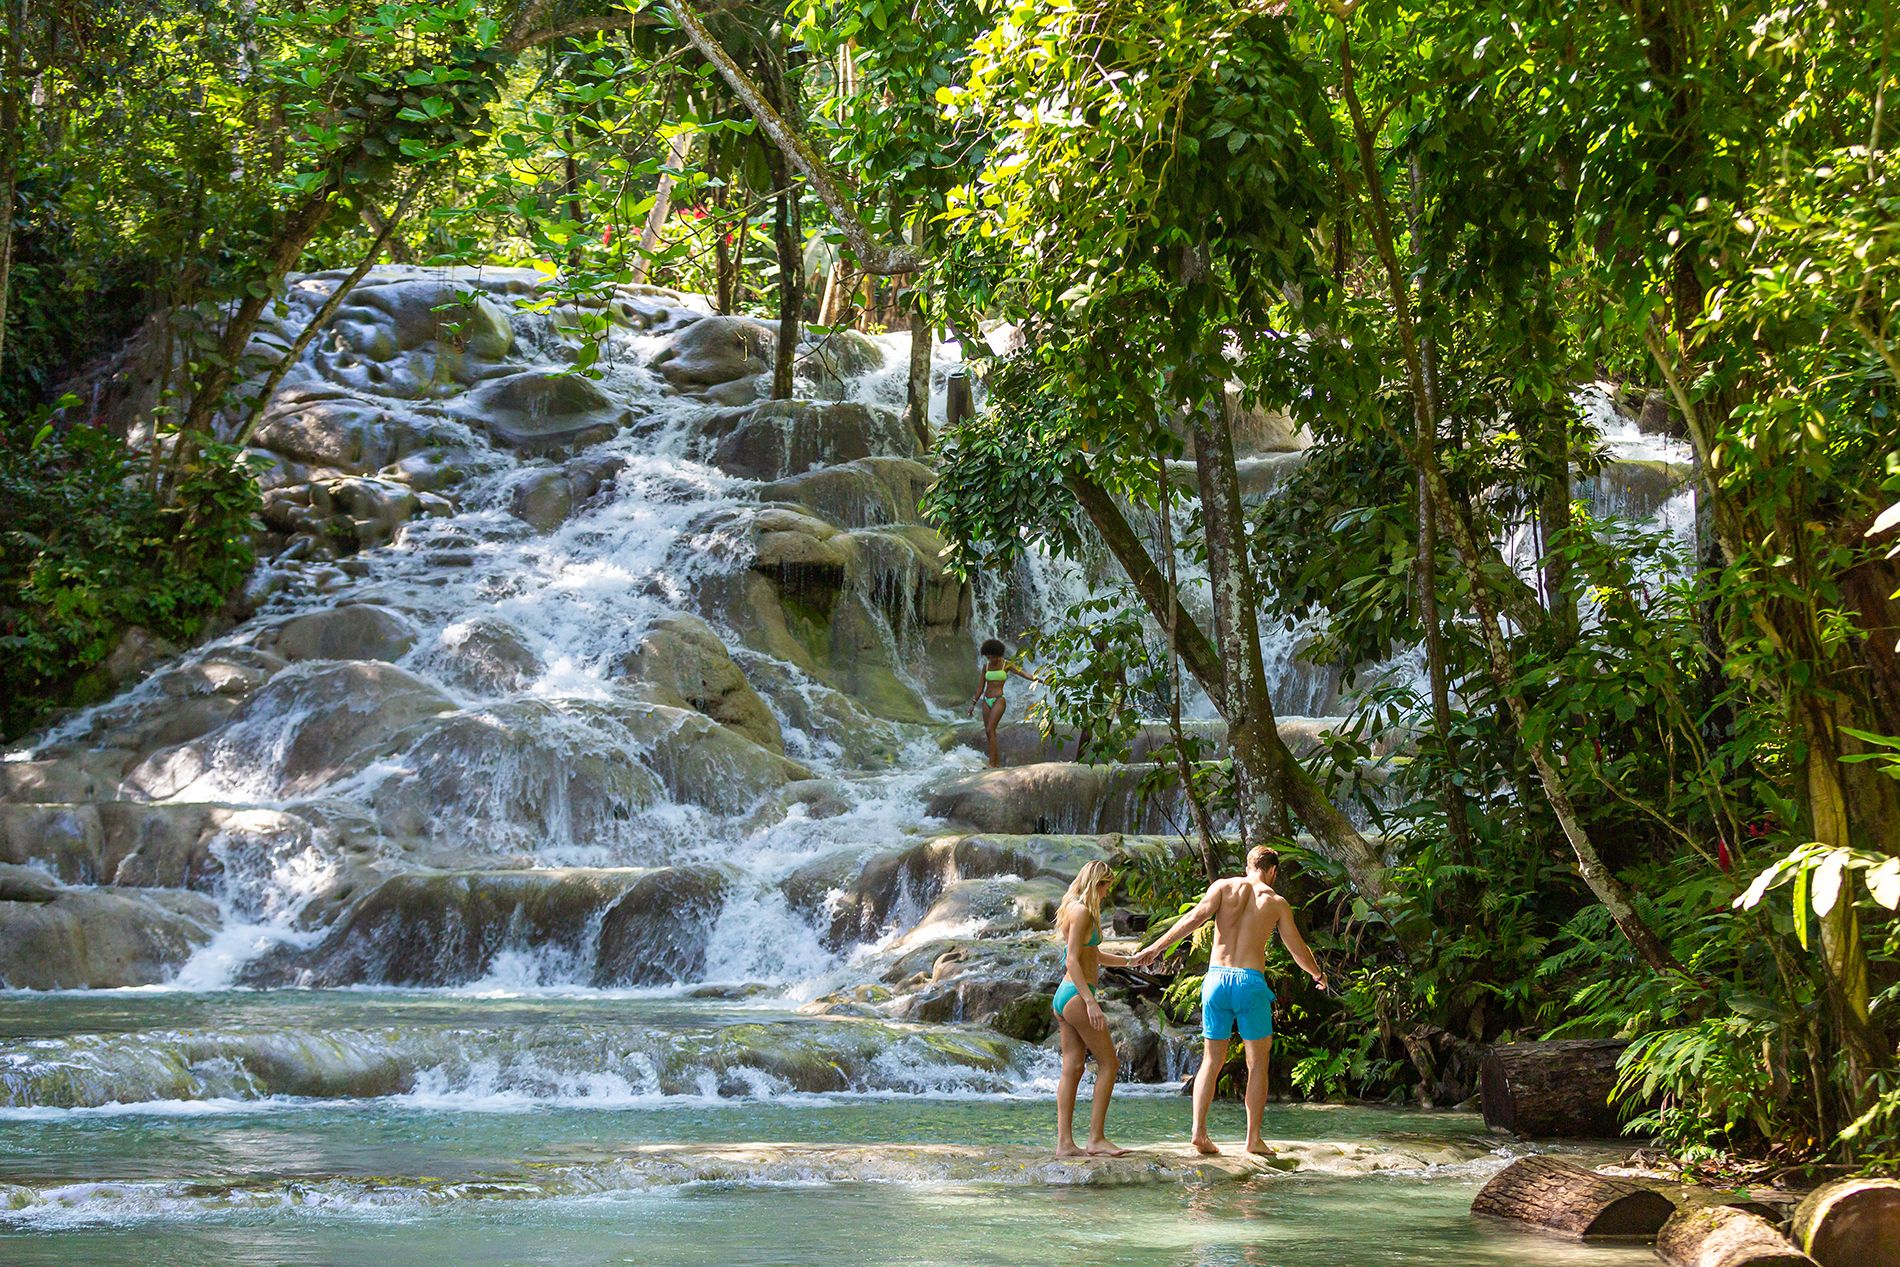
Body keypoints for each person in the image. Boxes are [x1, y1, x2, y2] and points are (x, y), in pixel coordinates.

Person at [1131, 845, 1328, 1156]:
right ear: (1273, 871)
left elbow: (1193, 920)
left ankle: (1199, 1133)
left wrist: (1155, 948)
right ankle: (1253, 1140)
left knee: (1212, 1059)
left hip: (1216, 981)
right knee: (1257, 1063)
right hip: (1250, 983)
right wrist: (1317, 974)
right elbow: (1297, 950)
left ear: (1248, 865)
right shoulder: (1275, 902)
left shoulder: (1223, 887)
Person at [1052, 859, 1132, 1158]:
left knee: (1072, 1068)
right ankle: (1096, 1138)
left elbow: (1093, 954)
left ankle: (1064, 1144)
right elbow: (1072, 960)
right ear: (1094, 882)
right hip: (1076, 995)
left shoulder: (1071, 906)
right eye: (1105, 885)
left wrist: (1129, 961)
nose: (1107, 891)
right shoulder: (1083, 911)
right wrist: (1090, 1002)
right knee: (1109, 1064)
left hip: (1064, 995)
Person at [969, 638, 1037, 768]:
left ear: (998, 655)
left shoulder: (1007, 664)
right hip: (986, 701)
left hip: (999, 700)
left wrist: (1039, 680)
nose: (990, 660)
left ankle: (991, 764)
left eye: (992, 657)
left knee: (990, 729)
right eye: (988, 657)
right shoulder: (986, 667)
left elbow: (1023, 674)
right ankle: (996, 763)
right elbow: (980, 687)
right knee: (989, 733)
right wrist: (973, 704)